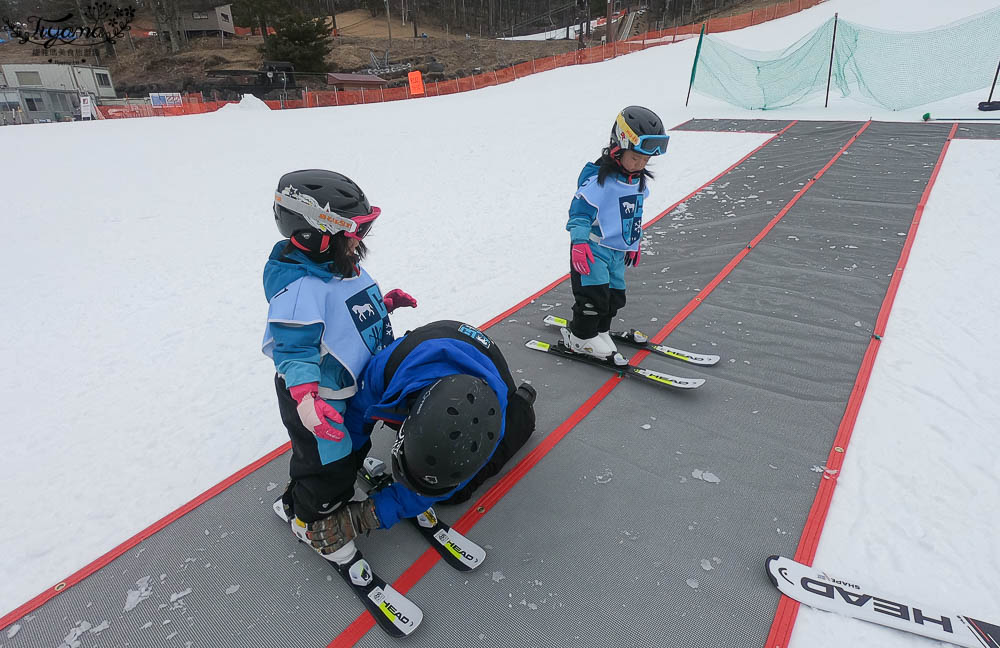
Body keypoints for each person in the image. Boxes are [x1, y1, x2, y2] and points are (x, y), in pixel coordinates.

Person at [275, 319, 537, 564]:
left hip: (489, 370)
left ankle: (523, 409)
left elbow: (443, 484)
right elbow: (357, 418)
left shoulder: (492, 421)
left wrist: (368, 516)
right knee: (377, 409)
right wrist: (333, 472)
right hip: (423, 353)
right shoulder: (384, 371)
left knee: (456, 493)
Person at [262, 169, 418, 561]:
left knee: (354, 442)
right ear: (314, 235)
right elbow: (294, 350)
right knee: (324, 468)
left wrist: (381, 306)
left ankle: (347, 466)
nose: (359, 243)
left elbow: (344, 316)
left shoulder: (338, 266)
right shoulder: (300, 290)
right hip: (320, 403)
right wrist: (306, 399)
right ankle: (311, 519)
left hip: (353, 392)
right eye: (354, 234)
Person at [562, 105, 668, 364]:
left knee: (614, 296)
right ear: (619, 147)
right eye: (635, 158)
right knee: (593, 295)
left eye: (645, 160)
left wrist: (634, 241)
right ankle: (580, 337)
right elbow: (580, 212)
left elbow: (634, 213)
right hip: (593, 249)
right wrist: (578, 241)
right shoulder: (600, 180)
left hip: (617, 251)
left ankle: (599, 331)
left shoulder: (636, 180)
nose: (640, 164)